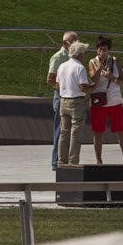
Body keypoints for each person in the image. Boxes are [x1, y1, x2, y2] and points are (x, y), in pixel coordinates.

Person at [88, 36, 123, 163]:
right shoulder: (92, 62)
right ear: (97, 50)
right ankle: (99, 160)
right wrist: (100, 64)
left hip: (115, 100)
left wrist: (112, 77)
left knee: (121, 130)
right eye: (100, 49)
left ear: (109, 50)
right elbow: (93, 79)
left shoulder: (115, 61)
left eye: (105, 49)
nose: (102, 52)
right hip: (99, 102)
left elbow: (122, 81)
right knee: (98, 132)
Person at [45, 31, 78, 169]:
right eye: (73, 41)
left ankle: (63, 160)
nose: (76, 43)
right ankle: (55, 161)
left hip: (70, 97)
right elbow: (50, 79)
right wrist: (63, 87)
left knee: (67, 130)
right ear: (65, 43)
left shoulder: (73, 58)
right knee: (60, 130)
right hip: (61, 96)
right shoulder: (58, 57)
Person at [56, 40, 92, 166]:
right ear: (80, 54)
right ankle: (73, 162)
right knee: (75, 134)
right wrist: (93, 87)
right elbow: (83, 87)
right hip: (77, 102)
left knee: (64, 133)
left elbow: (57, 85)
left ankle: (61, 161)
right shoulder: (80, 67)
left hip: (63, 101)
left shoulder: (62, 66)